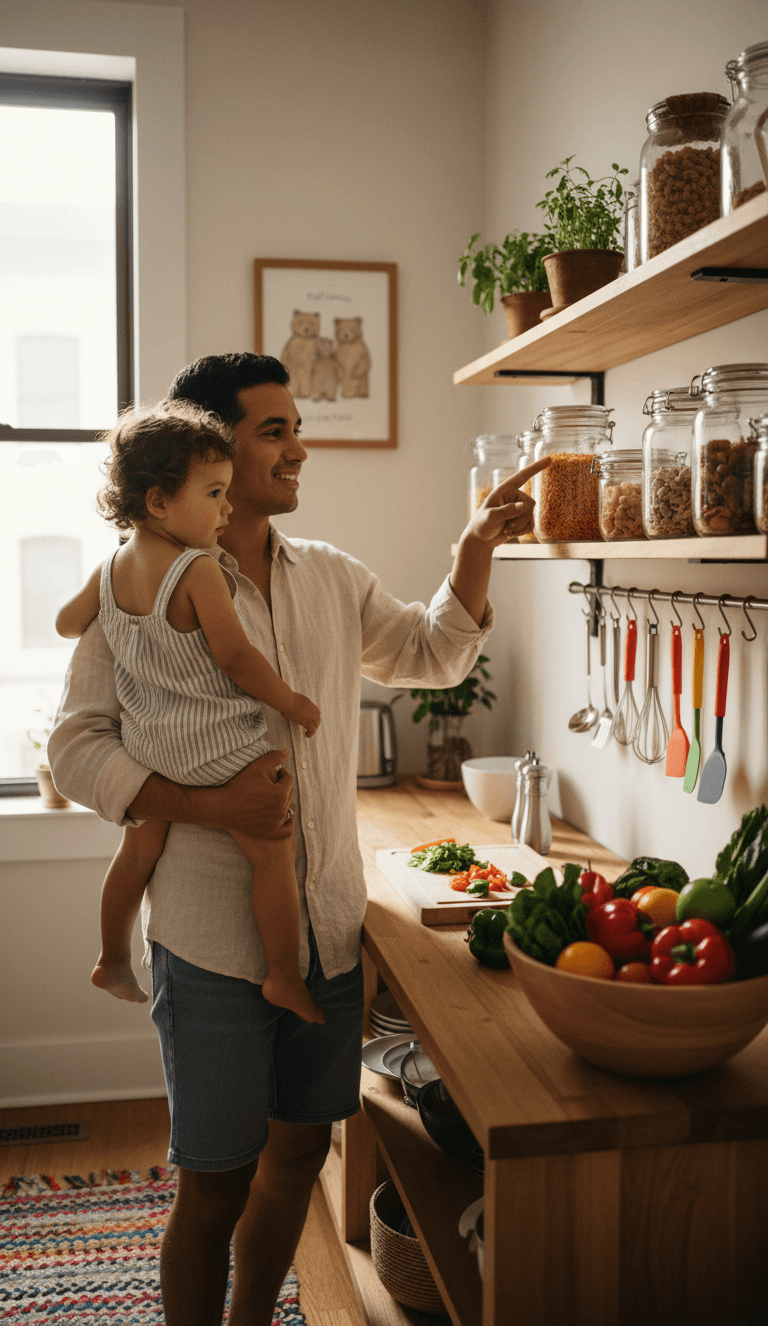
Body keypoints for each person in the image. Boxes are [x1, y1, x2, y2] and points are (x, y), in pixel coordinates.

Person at [48, 351, 549, 1326]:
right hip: (209, 952)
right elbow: (75, 747)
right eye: (274, 429)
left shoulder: (327, 576)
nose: (298, 448)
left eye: (295, 425)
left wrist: (475, 548)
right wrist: (201, 806)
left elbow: (429, 653)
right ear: (211, 444)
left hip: (325, 941)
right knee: (214, 1185)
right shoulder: (140, 584)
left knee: (294, 1160)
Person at [55, 400, 325, 1025]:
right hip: (215, 750)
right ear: (158, 502)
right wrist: (292, 701)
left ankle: (111, 957)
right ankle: (285, 975)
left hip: (150, 751)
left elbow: (68, 623)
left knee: (137, 856)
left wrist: (106, 605)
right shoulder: (197, 568)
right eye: (214, 493)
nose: (227, 509)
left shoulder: (111, 567)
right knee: (272, 854)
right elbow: (235, 656)